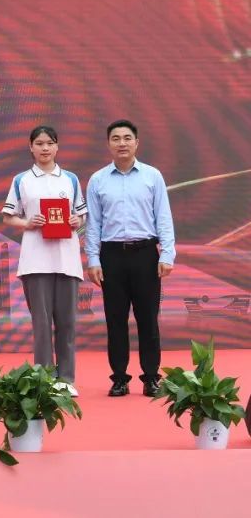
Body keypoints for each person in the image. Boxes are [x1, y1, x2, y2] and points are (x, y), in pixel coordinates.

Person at [85, 119, 175, 397]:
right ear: (108, 144)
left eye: (127, 138)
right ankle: (120, 378)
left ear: (137, 142)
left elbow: (163, 216)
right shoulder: (98, 180)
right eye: (116, 138)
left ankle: (151, 377)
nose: (122, 143)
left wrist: (167, 253)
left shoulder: (152, 176)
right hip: (111, 256)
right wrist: (93, 259)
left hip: (145, 255)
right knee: (115, 320)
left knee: (148, 319)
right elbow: (93, 224)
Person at [1, 126, 87, 397]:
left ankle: (66, 379)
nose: (45, 148)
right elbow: (8, 216)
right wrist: (27, 223)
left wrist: (76, 220)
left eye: (50, 143)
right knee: (41, 323)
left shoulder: (70, 179)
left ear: (57, 146)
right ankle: (44, 378)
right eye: (39, 143)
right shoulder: (22, 180)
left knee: (67, 323)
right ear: (31, 147)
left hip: (66, 260)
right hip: (35, 261)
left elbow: (81, 214)